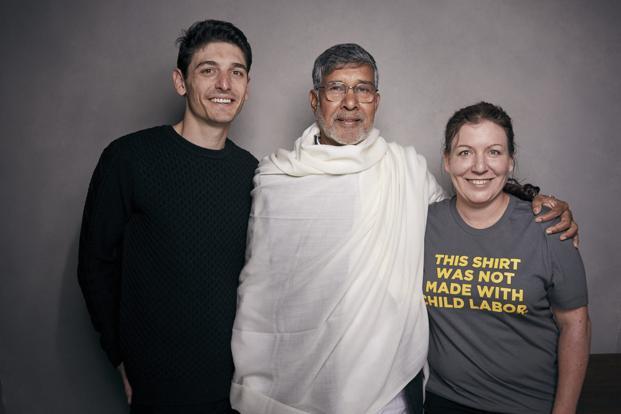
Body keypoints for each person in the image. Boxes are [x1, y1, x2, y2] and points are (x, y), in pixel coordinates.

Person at [230, 44, 575, 414]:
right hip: (291, 376)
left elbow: (465, 208)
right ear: (315, 99)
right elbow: (261, 287)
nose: (350, 102)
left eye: (362, 89)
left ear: (376, 101)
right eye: (336, 89)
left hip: (385, 386)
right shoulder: (277, 177)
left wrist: (532, 201)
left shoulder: (404, 168)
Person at [78, 19, 257, 413]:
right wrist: (118, 356)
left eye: (237, 73)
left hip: (238, 389)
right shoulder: (128, 159)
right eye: (208, 70)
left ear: (246, 88)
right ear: (181, 82)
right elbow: (95, 265)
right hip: (157, 390)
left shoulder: (254, 174)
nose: (224, 84)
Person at [422, 102, 590, 414]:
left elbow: (575, 326)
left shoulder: (549, 227)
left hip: (527, 405)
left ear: (510, 162)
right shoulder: (422, 224)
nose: (480, 166)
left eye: (494, 152)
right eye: (465, 152)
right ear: (447, 161)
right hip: (443, 401)